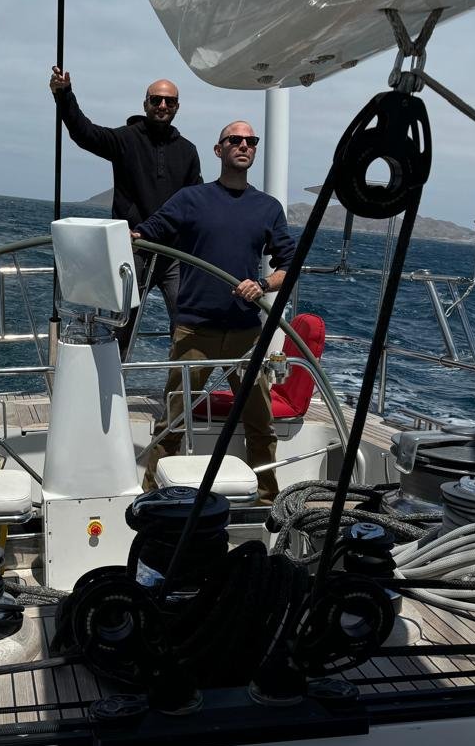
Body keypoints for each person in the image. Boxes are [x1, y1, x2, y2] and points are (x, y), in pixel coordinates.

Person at [132, 120, 295, 503]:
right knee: (172, 422)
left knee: (260, 424)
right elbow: (150, 231)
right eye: (234, 140)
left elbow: (289, 264)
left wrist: (264, 284)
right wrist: (124, 236)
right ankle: (151, 497)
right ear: (219, 150)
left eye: (250, 141)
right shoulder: (192, 199)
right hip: (195, 331)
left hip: (245, 333)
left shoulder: (268, 208)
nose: (244, 145)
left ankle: (269, 501)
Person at [50, 66, 201, 354]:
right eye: (156, 100)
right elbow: (84, 133)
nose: (162, 105)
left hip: (174, 256)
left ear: (177, 107)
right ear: (145, 104)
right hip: (133, 250)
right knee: (121, 323)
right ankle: (109, 390)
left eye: (169, 101)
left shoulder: (188, 151)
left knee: (186, 323)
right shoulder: (126, 139)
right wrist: (64, 95)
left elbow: (195, 201)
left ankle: (179, 391)